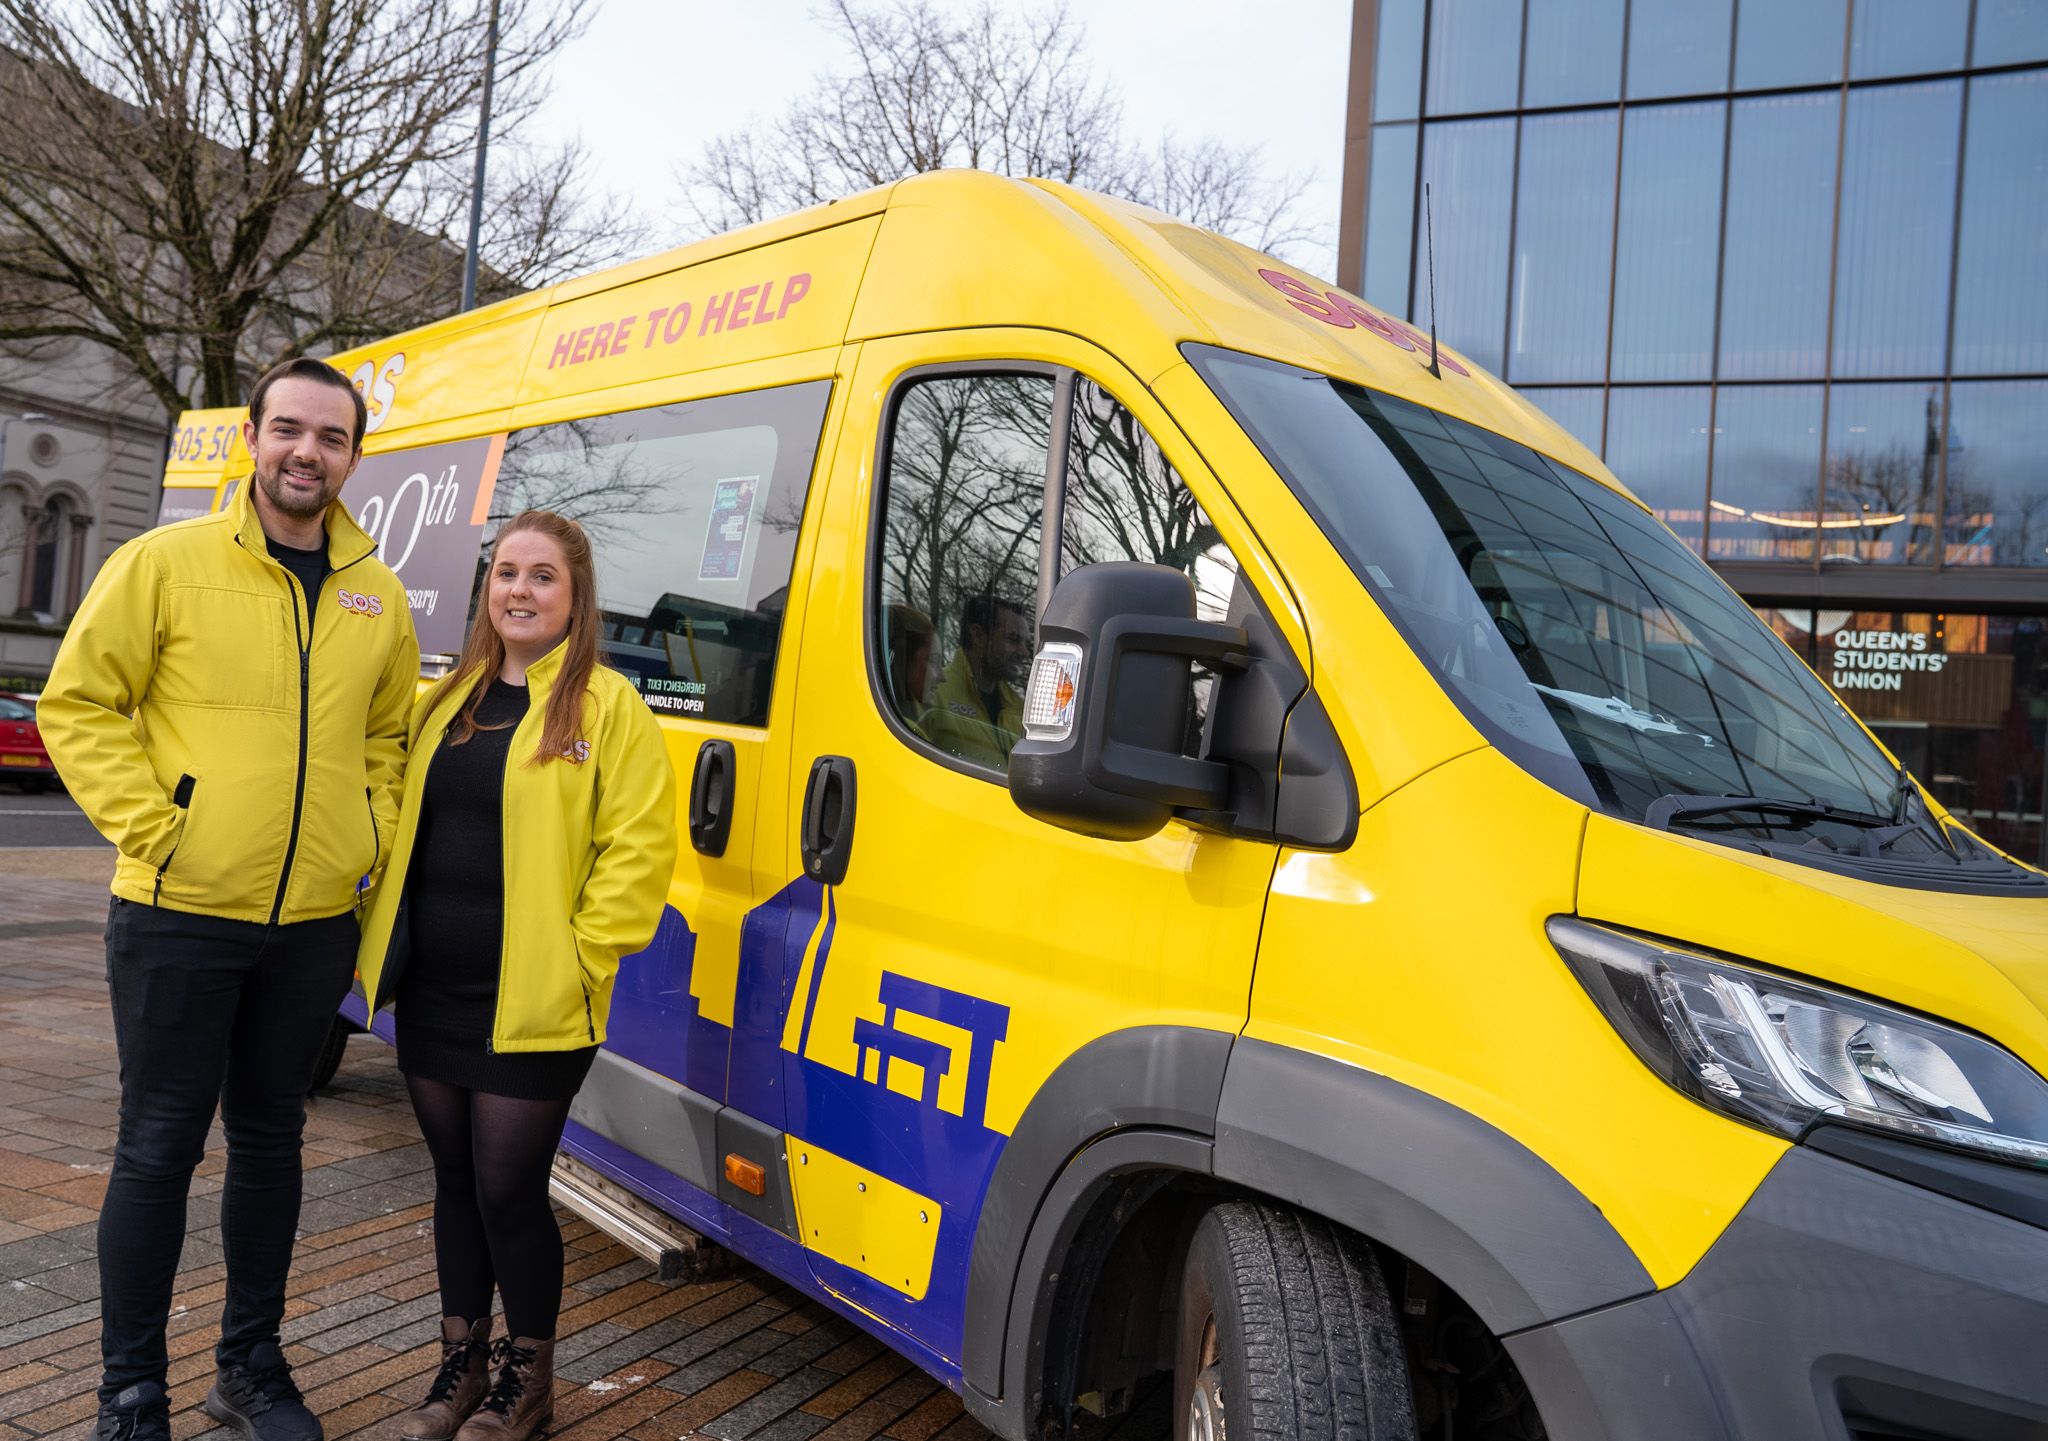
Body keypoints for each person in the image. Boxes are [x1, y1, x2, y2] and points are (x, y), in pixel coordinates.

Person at [40, 359, 419, 1441]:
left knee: (271, 1142)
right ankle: (129, 1389)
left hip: (310, 924)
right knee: (158, 1145)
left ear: (354, 455)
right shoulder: (167, 561)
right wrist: (162, 828)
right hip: (177, 913)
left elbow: (388, 742)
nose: (308, 451)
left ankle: (249, 1363)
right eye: (288, 429)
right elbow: (78, 704)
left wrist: (367, 841)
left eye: (331, 437)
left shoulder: (375, 595)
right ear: (254, 437)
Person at [355, 510, 678, 1441]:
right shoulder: (444, 697)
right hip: (433, 990)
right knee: (454, 1179)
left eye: (543, 577)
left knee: (508, 1187)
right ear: (486, 589)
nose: (520, 591)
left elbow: (638, 849)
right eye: (506, 573)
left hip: (534, 999)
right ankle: (460, 1366)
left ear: (575, 599)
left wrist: (584, 956)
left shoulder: (608, 706)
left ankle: (526, 1382)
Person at [922, 591, 1032, 768]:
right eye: (1013, 639)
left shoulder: (1019, 707)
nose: (1024, 652)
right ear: (978, 636)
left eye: (1025, 643)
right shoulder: (933, 694)